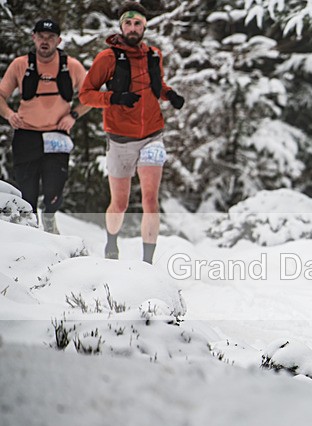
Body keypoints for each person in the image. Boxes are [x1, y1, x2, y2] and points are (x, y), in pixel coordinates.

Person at [79, 1, 184, 263]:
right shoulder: (108, 58)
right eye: (128, 23)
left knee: (150, 200)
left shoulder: (154, 55)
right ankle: (111, 244)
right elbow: (86, 94)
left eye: (137, 23)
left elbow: (156, 85)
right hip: (120, 140)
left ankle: (147, 263)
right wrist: (114, 98)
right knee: (120, 204)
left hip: (152, 136)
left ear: (145, 25)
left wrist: (170, 94)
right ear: (121, 26)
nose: (133, 28)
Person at [0, 18, 90, 234]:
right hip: (27, 134)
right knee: (26, 192)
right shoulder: (21, 64)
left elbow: (91, 96)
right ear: (34, 38)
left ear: (58, 40)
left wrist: (74, 114)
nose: (45, 41)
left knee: (54, 190)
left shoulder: (71, 66)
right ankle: (31, 234)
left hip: (56, 136)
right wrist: (9, 114)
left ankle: (49, 218)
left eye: (50, 38)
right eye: (41, 36)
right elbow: (1, 95)